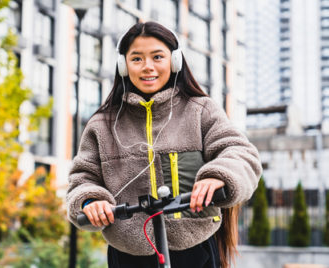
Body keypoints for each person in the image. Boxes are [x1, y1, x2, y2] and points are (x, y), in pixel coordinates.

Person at [66, 21, 262, 268]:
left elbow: (240, 152)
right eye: (137, 59)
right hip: (128, 255)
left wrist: (218, 176)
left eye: (157, 57)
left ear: (175, 60)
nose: (148, 67)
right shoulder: (102, 124)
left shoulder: (200, 110)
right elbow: (82, 178)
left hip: (195, 250)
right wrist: (89, 200)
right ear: (123, 66)